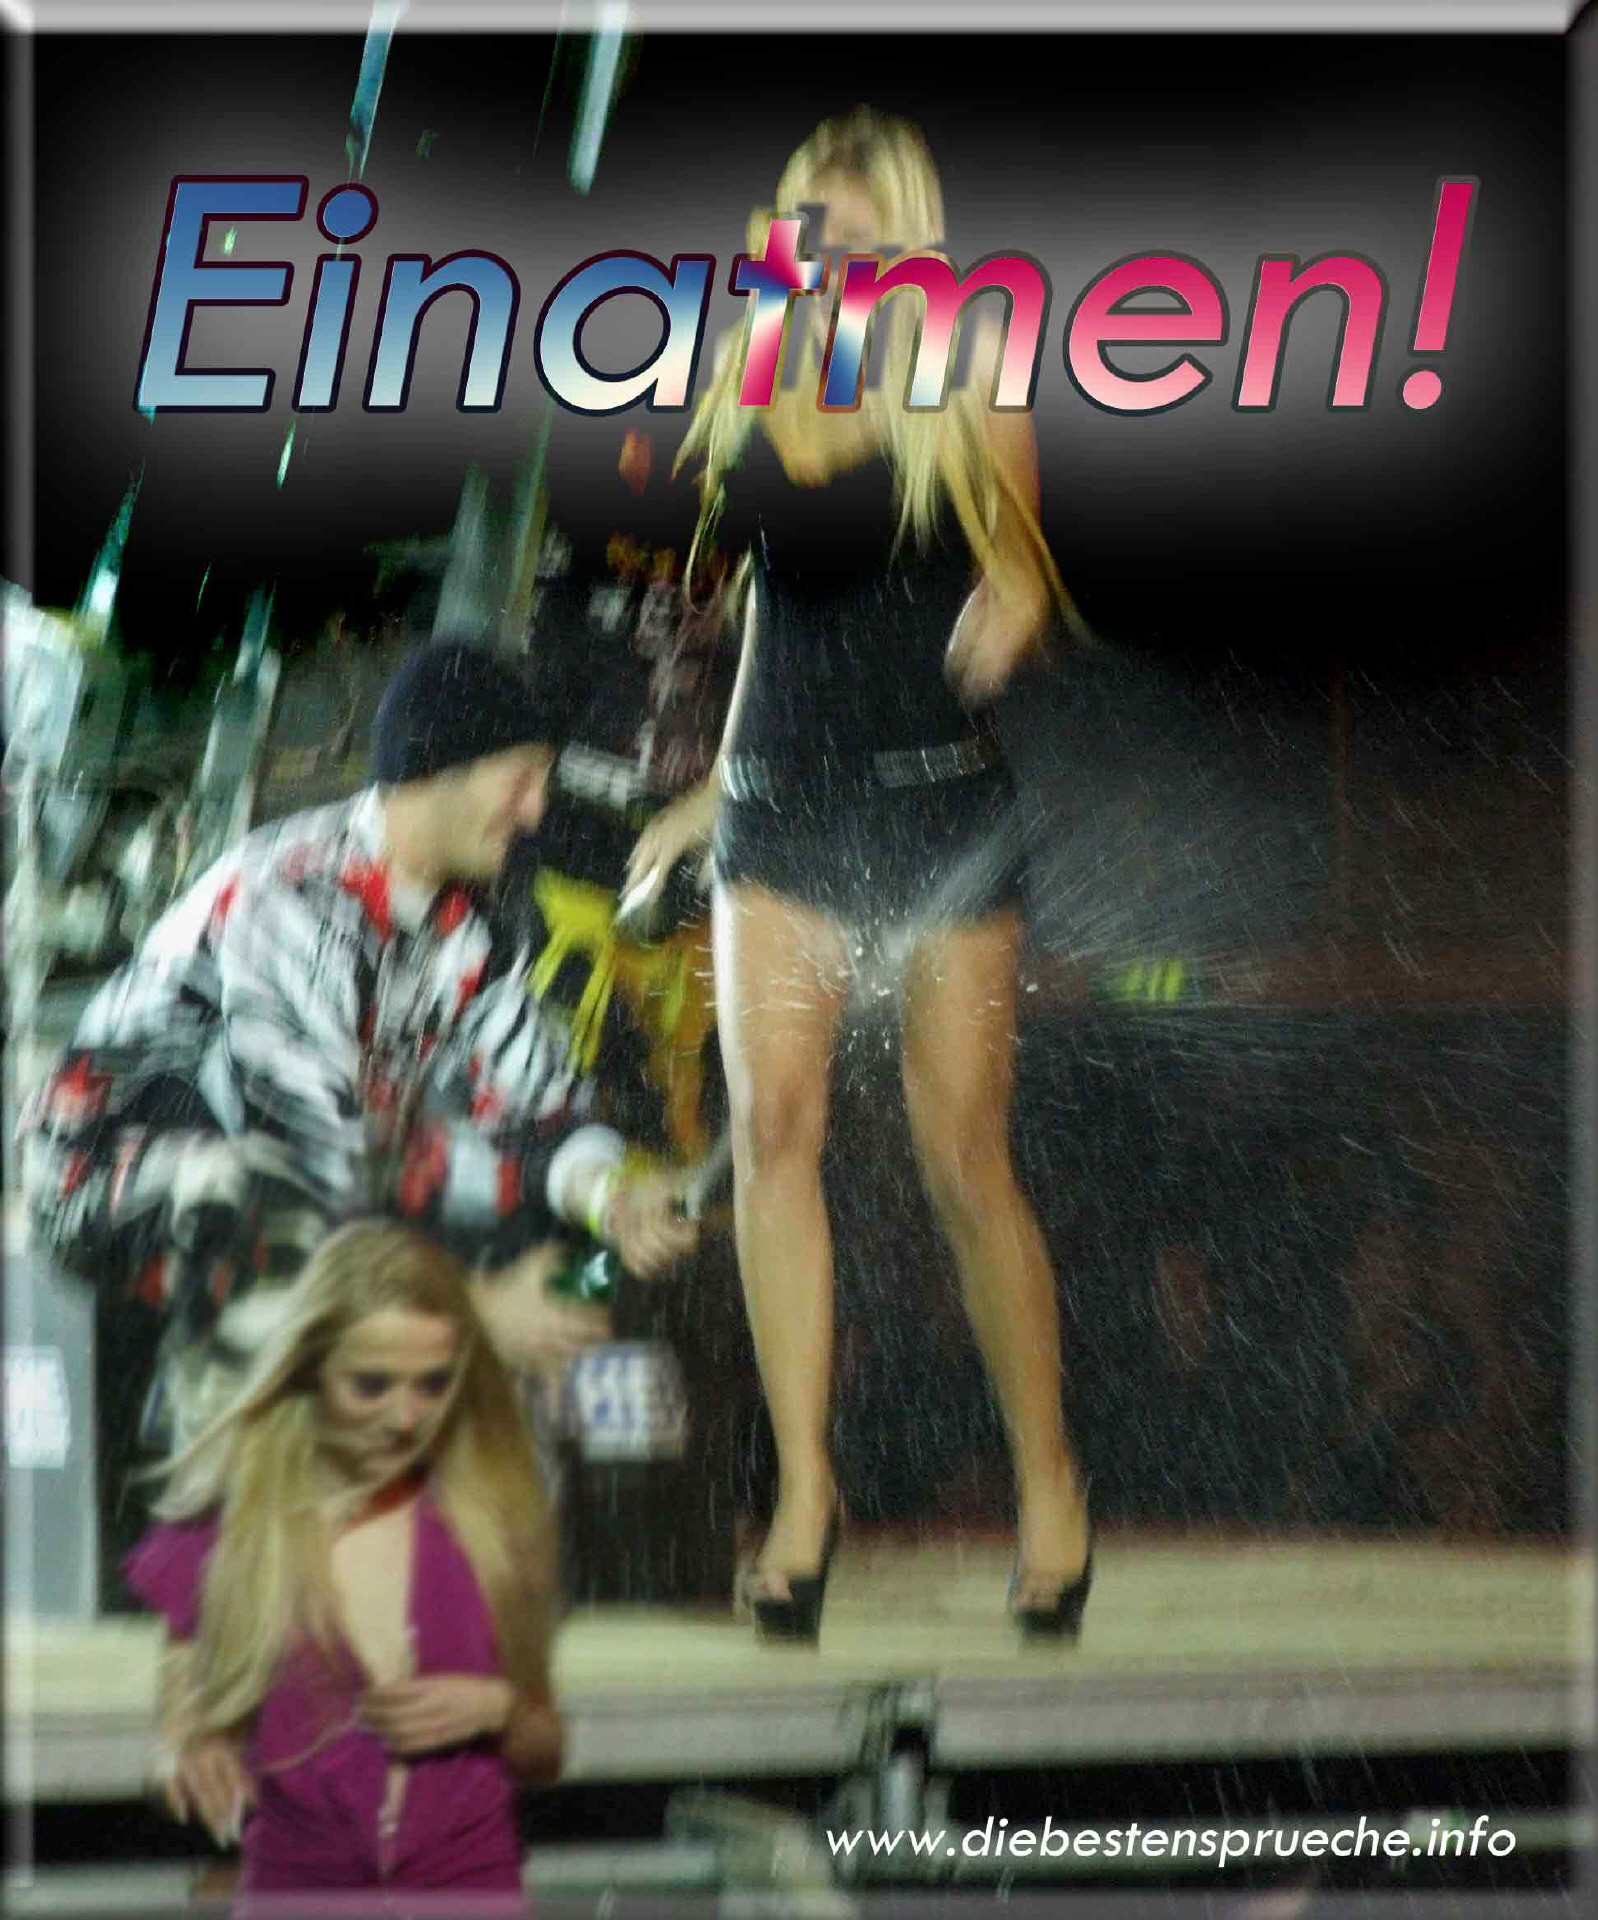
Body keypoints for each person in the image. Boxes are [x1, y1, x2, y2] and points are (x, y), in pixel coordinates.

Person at [625, 107, 1092, 1642]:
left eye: (859, 236)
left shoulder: (972, 363)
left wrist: (1013, 614)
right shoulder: (760, 347)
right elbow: (776, 587)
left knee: (961, 1156)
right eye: (807, 229)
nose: (830, 259)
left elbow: (1019, 563)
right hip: (781, 809)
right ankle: (805, 1498)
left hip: (935, 807)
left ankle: (1046, 1481)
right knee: (775, 1131)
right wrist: (712, 786)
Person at [21, 638, 697, 1455]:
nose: (534, 812)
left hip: (319, 1180)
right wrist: (481, 1311)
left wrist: (611, 1199)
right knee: (252, 1191)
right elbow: (308, 1180)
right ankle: (210, 1427)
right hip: (113, 1181)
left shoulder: (468, 924)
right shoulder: (293, 900)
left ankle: (500, 1445)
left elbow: (543, 1105)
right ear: (439, 769)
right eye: (521, 780)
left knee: (526, 1206)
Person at [125, 1219, 560, 1916]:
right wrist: (182, 1753)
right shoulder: (231, 1529)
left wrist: (497, 1709)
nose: (405, 1416)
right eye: (371, 1385)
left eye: (433, 1384)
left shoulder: (488, 1524)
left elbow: (544, 1750)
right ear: (310, 1370)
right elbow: (180, 1733)